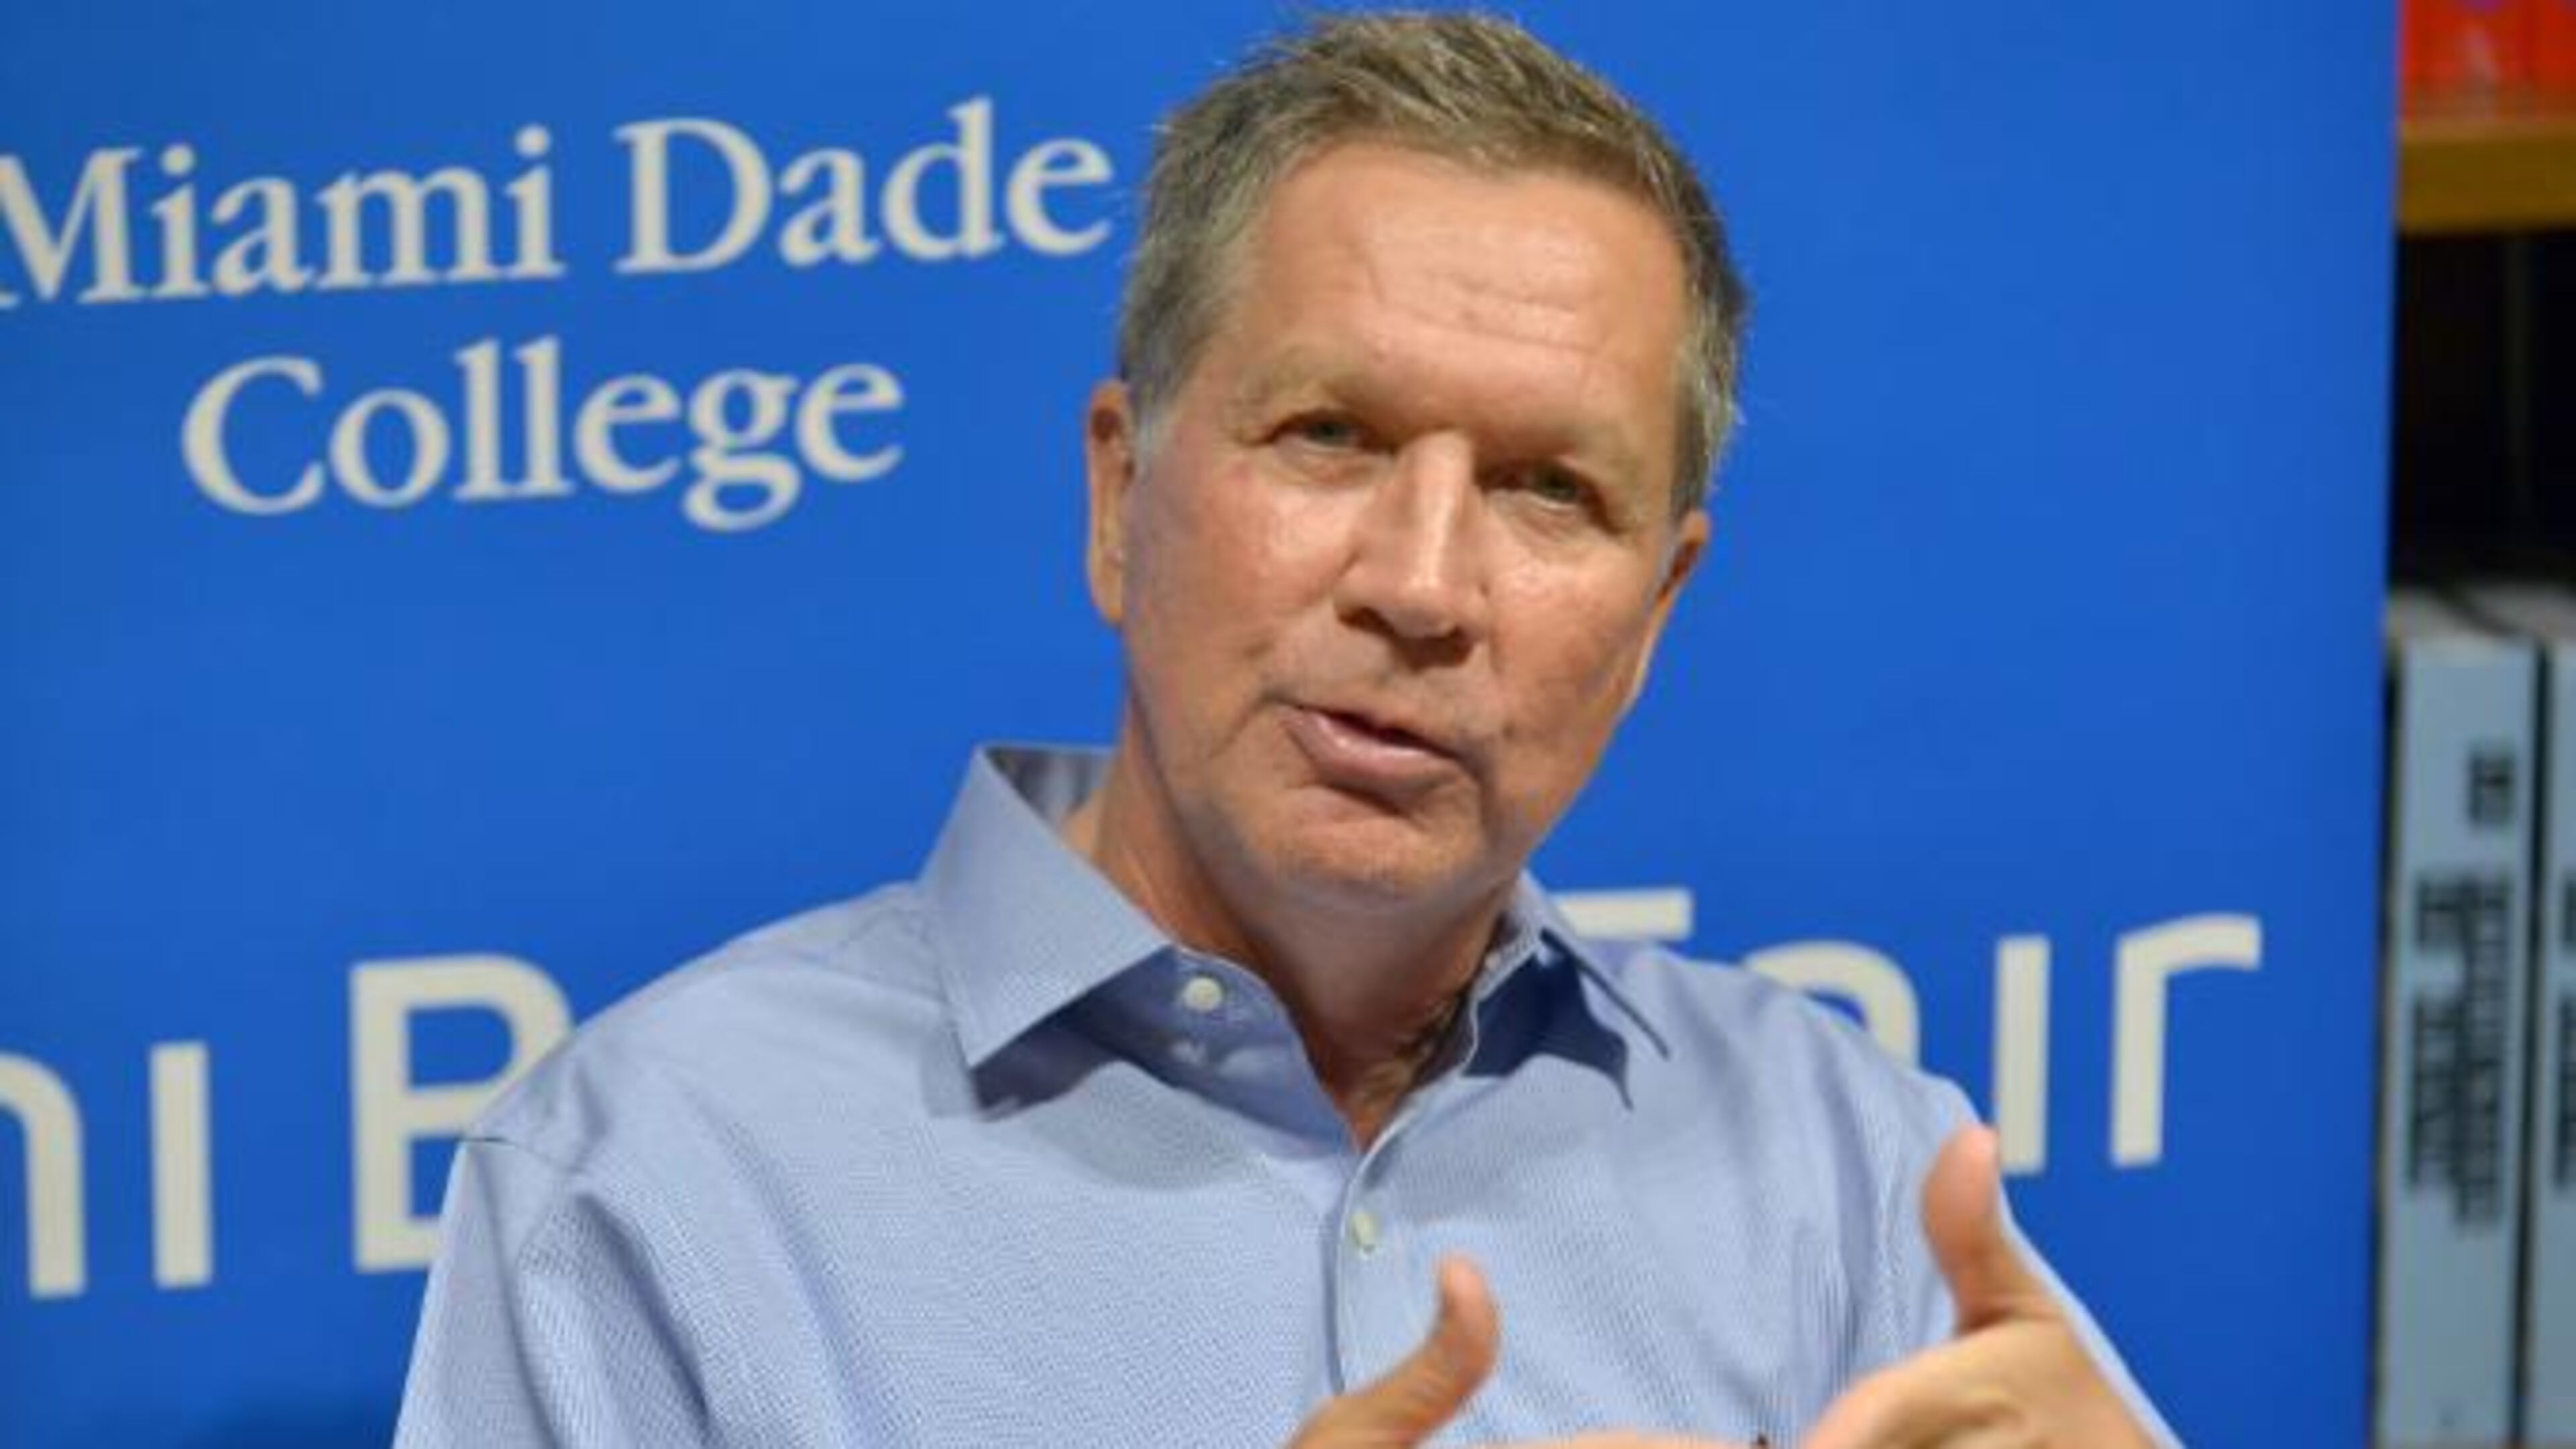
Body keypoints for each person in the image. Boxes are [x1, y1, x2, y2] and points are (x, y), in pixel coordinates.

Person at [394, 12, 2178, 1447]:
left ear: (1657, 614)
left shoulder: (1857, 1177)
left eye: (1550, 490)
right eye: (1328, 435)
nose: (1421, 584)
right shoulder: (648, 1186)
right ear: (1120, 497)